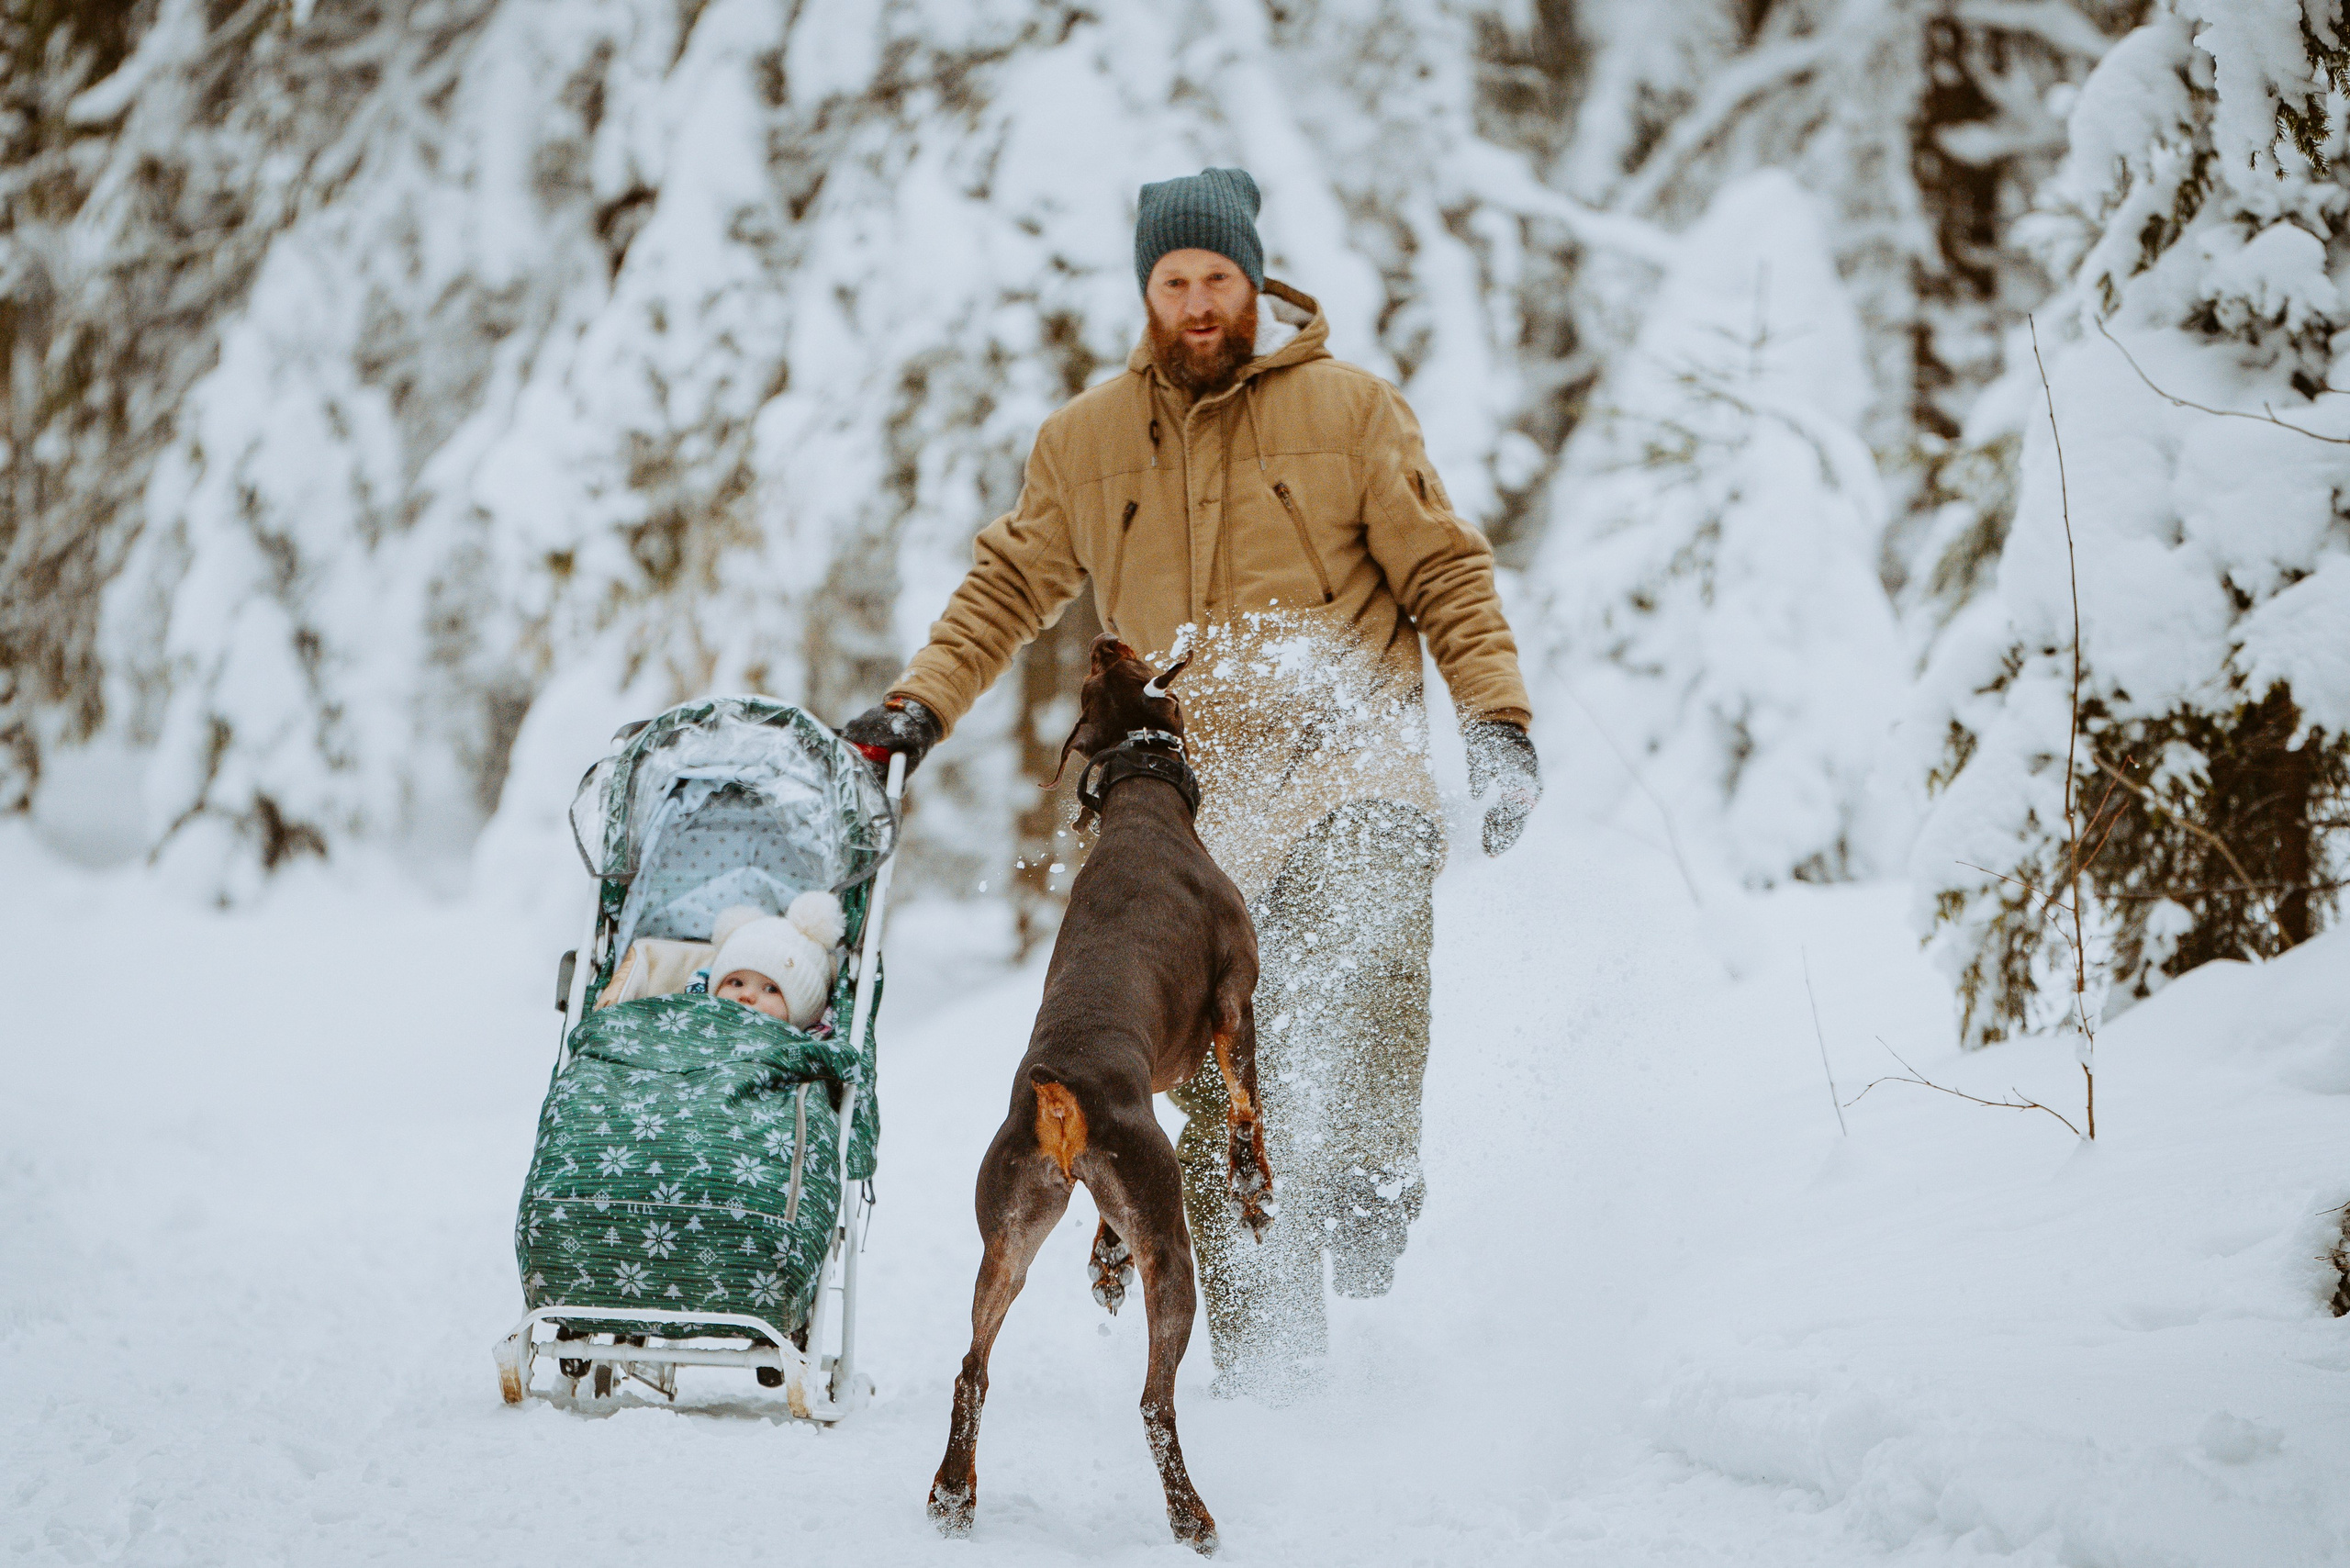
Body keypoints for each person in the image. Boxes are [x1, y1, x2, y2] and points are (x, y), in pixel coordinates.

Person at [842, 167, 1539, 1398]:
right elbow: (1007, 585)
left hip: (1346, 748)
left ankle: (1373, 1167)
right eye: (1176, 283)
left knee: (1371, 935)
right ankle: (1271, 1375)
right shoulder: (1090, 440)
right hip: (1193, 801)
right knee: (1225, 1083)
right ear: (1148, 292)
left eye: (1219, 279)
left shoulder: (1353, 412)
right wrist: (919, 707)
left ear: (1254, 282)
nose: (1199, 303)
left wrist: (1495, 716)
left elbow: (1445, 572)